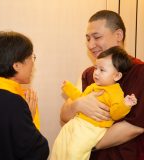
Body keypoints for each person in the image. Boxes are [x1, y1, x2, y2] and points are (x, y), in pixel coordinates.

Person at [60, 10, 144, 160]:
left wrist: (84, 144)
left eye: (97, 37)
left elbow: (135, 127)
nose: (91, 45)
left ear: (118, 35)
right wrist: (78, 104)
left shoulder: (139, 71)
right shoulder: (89, 73)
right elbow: (65, 115)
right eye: (87, 39)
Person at [51, 46, 137, 160]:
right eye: (95, 68)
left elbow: (115, 113)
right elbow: (81, 98)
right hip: (78, 123)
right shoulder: (93, 86)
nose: (96, 73)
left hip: (94, 128)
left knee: (75, 151)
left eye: (102, 70)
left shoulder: (116, 92)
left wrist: (126, 104)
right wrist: (69, 88)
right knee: (60, 143)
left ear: (116, 76)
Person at [0, 31, 49, 160]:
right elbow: (38, 152)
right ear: (17, 65)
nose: (33, 63)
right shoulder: (14, 103)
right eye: (31, 57)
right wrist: (29, 119)